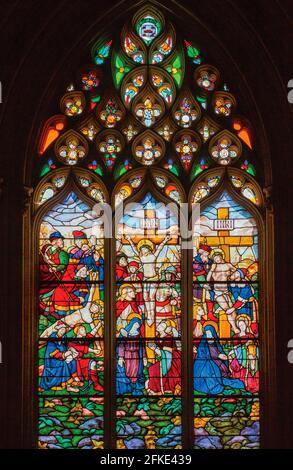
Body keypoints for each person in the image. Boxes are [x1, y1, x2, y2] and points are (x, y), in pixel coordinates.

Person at [124, 234, 171, 327]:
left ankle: (151, 315)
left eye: (144, 249)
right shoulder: (142, 257)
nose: (142, 251)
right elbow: (134, 249)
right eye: (141, 250)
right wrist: (129, 240)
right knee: (145, 297)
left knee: (151, 297)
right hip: (145, 279)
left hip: (154, 278)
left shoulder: (153, 256)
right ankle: (149, 313)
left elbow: (160, 248)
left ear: (149, 249)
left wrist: (165, 240)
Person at [193, 324, 245, 394]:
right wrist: (218, 355)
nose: (209, 335)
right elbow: (202, 355)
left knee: (221, 369)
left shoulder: (216, 342)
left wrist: (223, 356)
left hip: (217, 362)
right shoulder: (203, 343)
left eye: (210, 333)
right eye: (207, 333)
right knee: (209, 368)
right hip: (204, 366)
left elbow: (220, 351)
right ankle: (213, 385)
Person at [116, 284, 145, 395]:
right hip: (121, 337)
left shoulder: (135, 305)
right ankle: (124, 385)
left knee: (136, 366)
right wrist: (120, 331)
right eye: (132, 291)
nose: (135, 293)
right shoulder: (118, 305)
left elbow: (137, 321)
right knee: (123, 364)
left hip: (134, 338)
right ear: (126, 292)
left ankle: (135, 383)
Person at [39, 322, 78, 392]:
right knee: (63, 363)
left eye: (64, 331)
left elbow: (64, 348)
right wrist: (64, 355)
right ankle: (68, 386)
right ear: (58, 330)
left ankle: (74, 379)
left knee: (73, 361)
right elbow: (52, 353)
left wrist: (69, 351)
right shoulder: (52, 339)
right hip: (52, 361)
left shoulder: (63, 338)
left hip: (61, 358)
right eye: (61, 330)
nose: (62, 332)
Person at [206, 249, 238, 332]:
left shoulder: (228, 265)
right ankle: (234, 328)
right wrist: (212, 269)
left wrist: (232, 277)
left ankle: (233, 327)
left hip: (227, 292)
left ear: (221, 256)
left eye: (218, 257)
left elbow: (237, 273)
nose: (217, 259)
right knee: (228, 309)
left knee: (233, 311)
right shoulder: (213, 266)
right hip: (218, 292)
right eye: (215, 258)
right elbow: (208, 279)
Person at [146, 320, 181, 395]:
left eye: (162, 326)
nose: (159, 327)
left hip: (170, 359)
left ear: (166, 329)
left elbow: (175, 350)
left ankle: (157, 389)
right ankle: (155, 389)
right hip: (162, 358)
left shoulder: (169, 337)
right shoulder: (157, 337)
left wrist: (162, 349)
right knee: (152, 369)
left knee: (153, 369)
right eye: (159, 325)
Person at [68, 324, 103, 392]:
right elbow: (81, 348)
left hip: (81, 360)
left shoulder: (84, 339)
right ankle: (95, 384)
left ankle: (96, 385)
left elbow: (91, 334)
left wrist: (98, 325)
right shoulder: (72, 341)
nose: (84, 331)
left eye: (84, 329)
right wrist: (93, 351)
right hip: (74, 362)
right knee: (92, 363)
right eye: (82, 329)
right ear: (77, 331)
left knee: (92, 363)